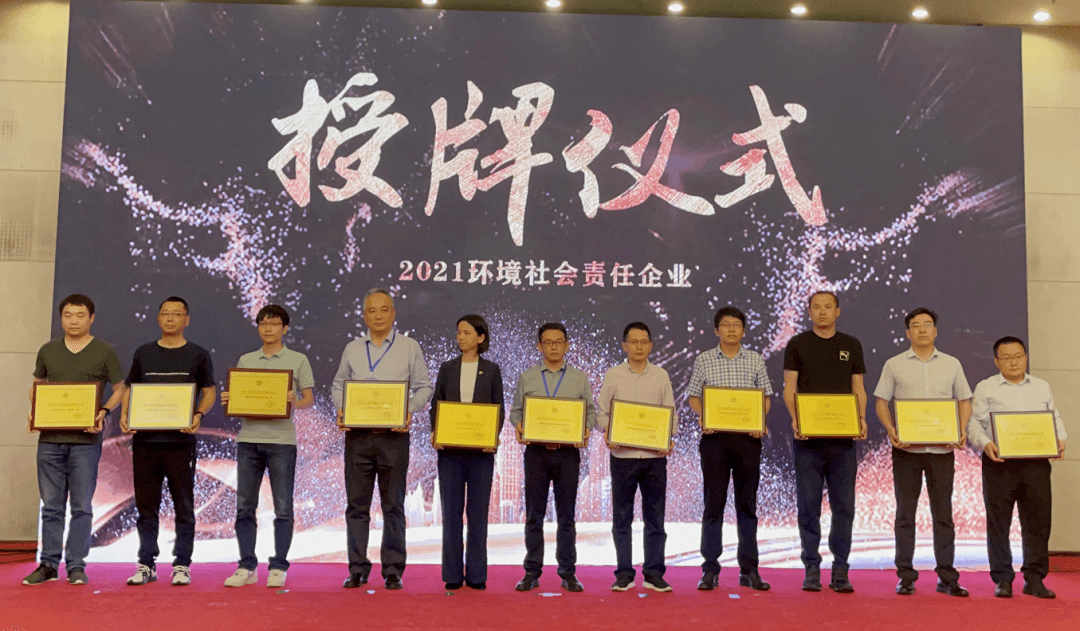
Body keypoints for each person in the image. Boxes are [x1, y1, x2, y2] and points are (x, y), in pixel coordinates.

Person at [332, 288, 432, 591]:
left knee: (394, 505)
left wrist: (408, 410)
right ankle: (357, 569)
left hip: (393, 439)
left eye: (384, 309)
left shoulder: (409, 347)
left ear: (393, 314)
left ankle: (392, 570)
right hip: (358, 438)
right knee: (356, 506)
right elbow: (338, 385)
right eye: (372, 311)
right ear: (364, 316)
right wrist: (342, 408)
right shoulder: (352, 349)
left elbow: (424, 387)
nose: (378, 316)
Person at [22, 294, 125, 586]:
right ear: (61, 318)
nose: (74, 321)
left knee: (82, 506)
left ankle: (76, 565)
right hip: (50, 440)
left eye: (80, 315)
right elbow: (38, 386)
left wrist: (103, 411)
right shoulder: (48, 350)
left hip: (85, 442)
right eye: (68, 315)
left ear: (91, 318)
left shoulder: (104, 351)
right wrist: (35, 411)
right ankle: (48, 564)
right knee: (51, 506)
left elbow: (120, 388)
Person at [873, 308, 971, 597]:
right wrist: (891, 429)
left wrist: (960, 430)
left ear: (936, 331)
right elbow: (881, 402)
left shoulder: (952, 364)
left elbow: (965, 400)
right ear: (908, 332)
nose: (922, 329)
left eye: (928, 324)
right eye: (916, 325)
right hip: (907, 451)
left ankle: (947, 576)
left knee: (943, 514)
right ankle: (905, 575)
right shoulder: (894, 364)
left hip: (942, 451)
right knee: (905, 514)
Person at [121, 296, 217, 587]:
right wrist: (125, 415)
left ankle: (182, 564)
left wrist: (198, 414)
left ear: (186, 320)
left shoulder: (198, 354)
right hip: (146, 442)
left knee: (183, 506)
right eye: (165, 313)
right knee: (146, 506)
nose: (170, 318)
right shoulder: (144, 353)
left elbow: (209, 392)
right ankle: (146, 563)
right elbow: (130, 388)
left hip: (180, 443)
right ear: (158, 318)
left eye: (176, 314)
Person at [220, 304, 314, 589]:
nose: (268, 329)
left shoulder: (298, 360)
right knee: (244, 507)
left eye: (274, 324)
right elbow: (241, 396)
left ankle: (279, 566)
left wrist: (293, 401)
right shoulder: (247, 360)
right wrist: (231, 400)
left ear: (285, 328)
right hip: (249, 440)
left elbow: (308, 399)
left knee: (283, 508)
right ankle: (247, 565)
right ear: (258, 327)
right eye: (263, 323)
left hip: (282, 441)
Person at [782, 291, 867, 593]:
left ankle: (841, 568)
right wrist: (796, 419)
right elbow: (789, 387)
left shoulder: (851, 344)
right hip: (808, 441)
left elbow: (858, 387)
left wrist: (861, 418)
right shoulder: (797, 344)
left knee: (844, 507)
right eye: (816, 307)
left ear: (837, 311)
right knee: (808, 506)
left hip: (842, 441)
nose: (822, 312)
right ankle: (811, 567)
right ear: (809, 312)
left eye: (828, 307)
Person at [969, 336, 1067, 600]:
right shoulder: (986, 387)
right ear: (996, 361)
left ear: (1025, 357)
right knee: (999, 523)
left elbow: (1054, 418)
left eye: (1018, 356)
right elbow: (974, 423)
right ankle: (1002, 578)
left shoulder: (1041, 386)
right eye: (1006, 358)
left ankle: (1034, 579)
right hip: (999, 464)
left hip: (1036, 464)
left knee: (1038, 522)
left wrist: (1060, 439)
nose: (1013, 362)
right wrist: (986, 443)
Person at [686, 306, 773, 592]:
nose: (731, 329)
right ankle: (710, 569)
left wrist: (759, 420)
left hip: (748, 441)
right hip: (715, 441)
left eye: (736, 325)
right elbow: (693, 396)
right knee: (713, 505)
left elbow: (765, 398)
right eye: (726, 325)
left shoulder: (755, 359)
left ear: (744, 331)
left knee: (747, 506)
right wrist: (704, 416)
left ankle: (750, 570)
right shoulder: (704, 359)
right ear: (717, 330)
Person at [509, 323, 597, 593]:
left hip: (567, 454)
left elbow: (591, 413)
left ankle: (568, 572)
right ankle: (531, 571)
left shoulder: (579, 379)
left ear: (567, 346)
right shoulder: (528, 377)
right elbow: (515, 412)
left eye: (559, 342)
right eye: (548, 342)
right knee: (534, 515)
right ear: (540, 346)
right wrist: (520, 426)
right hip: (536, 453)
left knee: (566, 517)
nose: (554, 347)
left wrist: (585, 429)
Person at [596, 322, 676, 593]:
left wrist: (668, 438)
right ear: (624, 345)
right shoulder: (613, 375)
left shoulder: (661, 375)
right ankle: (624, 574)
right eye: (634, 341)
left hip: (654, 458)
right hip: (623, 456)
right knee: (622, 519)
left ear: (650, 345)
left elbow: (670, 412)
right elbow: (602, 413)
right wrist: (609, 432)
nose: (639, 346)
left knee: (655, 519)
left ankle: (654, 574)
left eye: (644, 342)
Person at [430, 314, 504, 591]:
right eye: (458, 332)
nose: (460, 337)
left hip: (481, 454)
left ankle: (476, 575)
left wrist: (492, 437)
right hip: (450, 453)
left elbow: (498, 407)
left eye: (467, 333)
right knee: (451, 514)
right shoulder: (447, 368)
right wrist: (436, 431)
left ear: (481, 337)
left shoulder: (492, 370)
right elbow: (437, 404)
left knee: (477, 514)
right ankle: (452, 574)